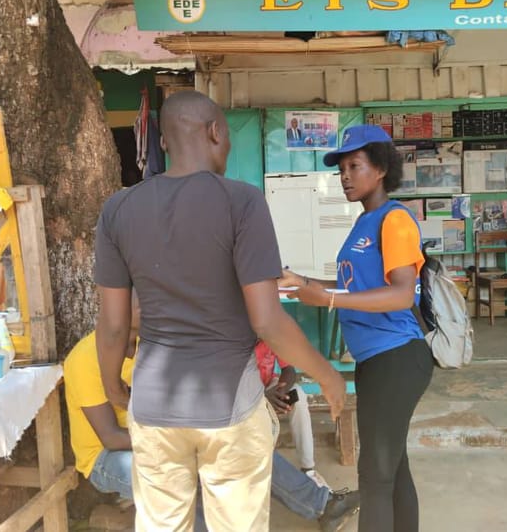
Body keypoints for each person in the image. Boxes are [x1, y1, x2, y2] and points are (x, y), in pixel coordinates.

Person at [94, 90, 345, 532]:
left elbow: (113, 325)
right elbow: (267, 320)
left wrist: (113, 386)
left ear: (164, 141)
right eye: (226, 137)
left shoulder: (118, 209)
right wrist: (327, 376)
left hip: (152, 405)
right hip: (229, 406)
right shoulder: (242, 202)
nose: (227, 146)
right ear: (214, 132)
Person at [65, 311, 359, 532]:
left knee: (247, 444)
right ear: (118, 306)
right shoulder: (86, 358)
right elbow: (110, 437)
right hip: (107, 458)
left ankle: (323, 506)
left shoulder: (152, 346)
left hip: (162, 436)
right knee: (179, 482)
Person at [280, 125, 434, 532]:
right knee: (393, 468)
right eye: (341, 170)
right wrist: (303, 282)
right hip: (374, 360)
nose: (344, 176)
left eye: (354, 166)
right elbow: (355, 286)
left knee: (374, 477)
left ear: (380, 169)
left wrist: (328, 300)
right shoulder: (365, 222)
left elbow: (401, 293)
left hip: (397, 356)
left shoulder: (395, 220)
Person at [255, 340, 327, 488]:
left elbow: (288, 370)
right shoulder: (236, 337)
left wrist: (281, 391)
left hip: (269, 385)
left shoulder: (271, 334)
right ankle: (264, 474)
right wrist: (262, 397)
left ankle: (308, 469)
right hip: (241, 393)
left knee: (298, 395)